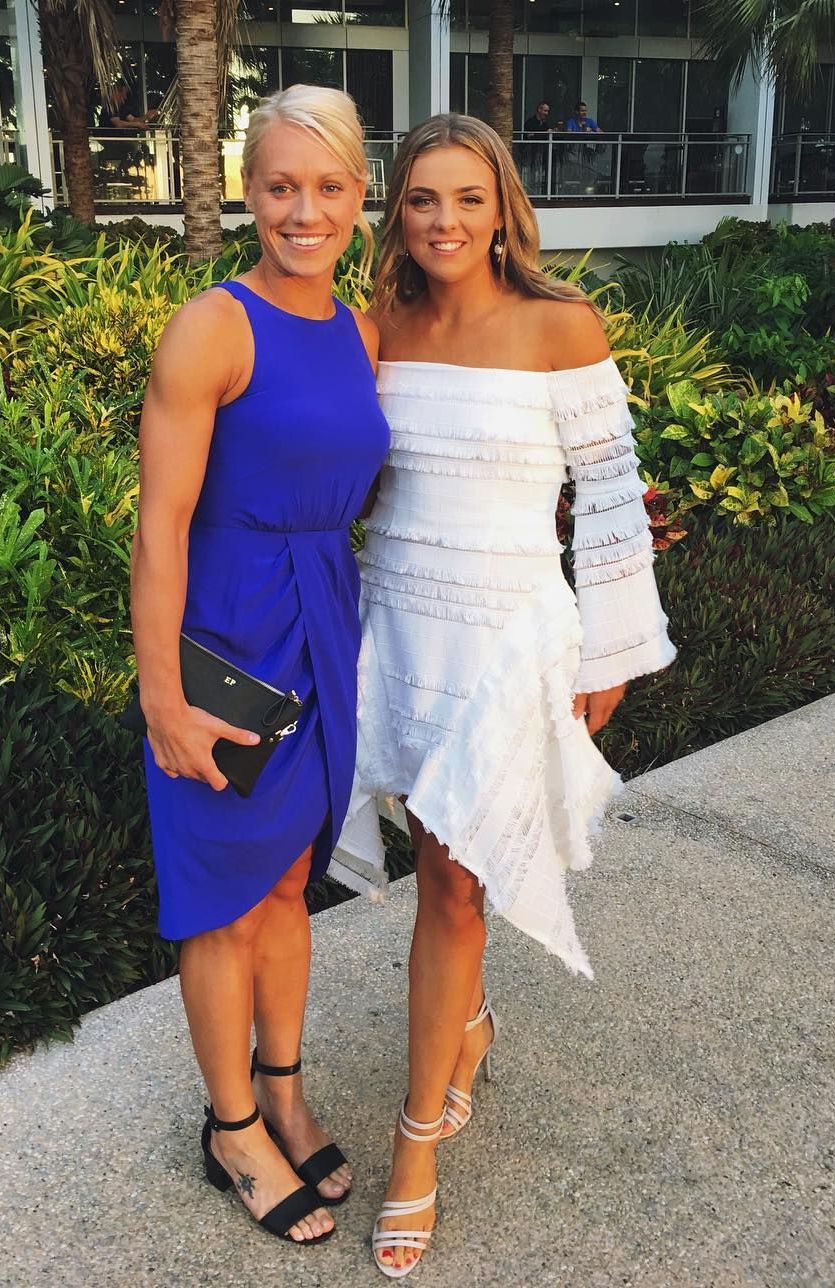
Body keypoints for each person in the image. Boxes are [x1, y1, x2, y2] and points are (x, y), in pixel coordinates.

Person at [331, 113, 675, 1277]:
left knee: (453, 880)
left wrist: (609, 652)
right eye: (423, 199)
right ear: (398, 212)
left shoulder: (560, 324)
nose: (444, 221)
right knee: (442, 862)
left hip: (508, 638)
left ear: (503, 211)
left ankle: (415, 1140)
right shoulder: (379, 326)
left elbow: (612, 496)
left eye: (467, 199)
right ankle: (468, 1024)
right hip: (401, 627)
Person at [130, 84, 389, 1246]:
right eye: (281, 185)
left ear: (359, 196)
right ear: (247, 191)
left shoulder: (360, 331)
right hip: (227, 639)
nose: (304, 210)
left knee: (288, 881)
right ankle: (231, 1126)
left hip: (322, 618)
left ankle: (282, 1088)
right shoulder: (214, 326)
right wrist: (164, 696)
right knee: (225, 898)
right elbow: (160, 523)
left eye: (328, 186)